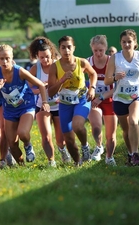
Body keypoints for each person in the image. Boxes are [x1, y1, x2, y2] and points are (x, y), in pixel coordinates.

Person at [104, 29, 139, 165]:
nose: (127, 44)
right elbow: (107, 80)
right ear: (120, 43)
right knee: (126, 130)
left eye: (129, 42)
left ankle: (136, 154)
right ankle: (130, 154)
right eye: (124, 42)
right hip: (120, 98)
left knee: (134, 121)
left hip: (138, 95)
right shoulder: (115, 58)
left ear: (135, 43)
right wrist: (115, 77)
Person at [0, 44, 49, 166]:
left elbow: (41, 85)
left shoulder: (19, 71)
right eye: (1, 59)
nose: (5, 62)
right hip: (9, 110)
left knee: (23, 133)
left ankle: (28, 145)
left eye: (7, 58)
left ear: (12, 58)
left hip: (26, 106)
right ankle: (22, 166)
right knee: (12, 143)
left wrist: (45, 102)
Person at [47, 36, 98, 166]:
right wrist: (62, 79)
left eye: (69, 47)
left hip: (82, 99)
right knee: (68, 139)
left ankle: (85, 147)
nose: (66, 50)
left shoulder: (81, 62)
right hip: (65, 103)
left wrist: (92, 88)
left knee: (77, 125)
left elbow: (93, 74)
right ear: (59, 49)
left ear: (73, 48)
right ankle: (77, 162)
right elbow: (51, 92)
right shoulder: (54, 67)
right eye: (63, 47)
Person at [28, 37, 71, 167]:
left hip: (59, 105)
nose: (45, 60)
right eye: (41, 58)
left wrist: (54, 85)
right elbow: (29, 88)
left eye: (47, 57)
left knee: (61, 139)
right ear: (37, 56)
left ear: (51, 53)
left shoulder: (58, 64)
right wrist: (41, 89)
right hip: (42, 105)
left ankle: (63, 151)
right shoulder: (35, 69)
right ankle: (51, 161)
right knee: (46, 137)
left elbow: (68, 83)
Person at [87, 35, 118, 165]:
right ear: (92, 49)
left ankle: (109, 157)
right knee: (96, 127)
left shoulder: (112, 61)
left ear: (105, 48)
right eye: (95, 51)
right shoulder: (88, 62)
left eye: (101, 50)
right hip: (94, 100)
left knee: (111, 135)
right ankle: (99, 147)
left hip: (110, 99)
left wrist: (102, 97)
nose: (98, 54)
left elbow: (118, 87)